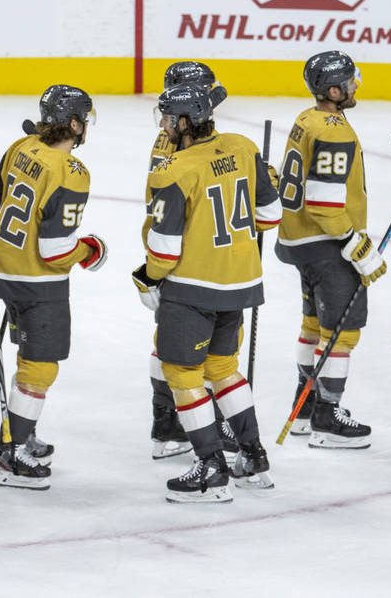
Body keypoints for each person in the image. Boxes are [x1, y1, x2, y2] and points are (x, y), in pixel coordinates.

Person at [132, 84, 281, 502]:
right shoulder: (244, 147)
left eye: (166, 118)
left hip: (193, 288)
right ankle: (252, 458)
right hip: (240, 284)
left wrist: (148, 276)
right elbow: (270, 216)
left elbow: (163, 249)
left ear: (184, 121)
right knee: (223, 369)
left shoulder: (174, 169)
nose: (162, 126)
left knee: (182, 375)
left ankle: (211, 468)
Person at [0, 84, 106, 489]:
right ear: (73, 123)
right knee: (40, 365)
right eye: (84, 120)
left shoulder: (22, 145)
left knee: (28, 356)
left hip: (1, 270)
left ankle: (19, 430)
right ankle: (12, 452)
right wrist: (91, 250)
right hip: (38, 282)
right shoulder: (71, 171)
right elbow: (55, 252)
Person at [274, 52, 383, 449]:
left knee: (313, 328)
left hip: (297, 240)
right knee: (342, 332)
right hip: (325, 245)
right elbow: (324, 202)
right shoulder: (334, 129)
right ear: (334, 90)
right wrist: (358, 246)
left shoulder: (306, 118)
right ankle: (326, 417)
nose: (356, 86)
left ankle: (302, 408)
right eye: (350, 81)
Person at [146, 62, 230, 461]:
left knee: (170, 340)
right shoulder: (182, 145)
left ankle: (168, 424)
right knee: (184, 344)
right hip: (182, 248)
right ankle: (179, 424)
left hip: (167, 240)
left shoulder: (169, 137)